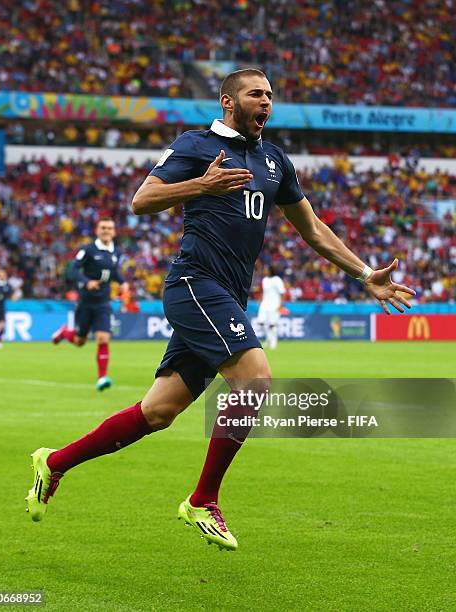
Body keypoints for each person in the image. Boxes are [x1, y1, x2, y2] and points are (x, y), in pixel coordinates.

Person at [26, 69, 415, 551]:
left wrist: (364, 274)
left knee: (158, 412)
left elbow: (312, 230)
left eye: (271, 95)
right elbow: (142, 200)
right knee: (255, 380)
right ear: (229, 102)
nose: (267, 102)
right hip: (194, 283)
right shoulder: (195, 144)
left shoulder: (275, 161)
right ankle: (202, 500)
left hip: (228, 296)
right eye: (257, 94)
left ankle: (54, 463)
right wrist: (200, 187)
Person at [51, 217, 128, 391]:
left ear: (114, 232)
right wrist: (86, 282)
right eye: (103, 227)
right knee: (79, 341)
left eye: (109, 227)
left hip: (103, 302)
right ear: (97, 230)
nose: (106, 230)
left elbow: (114, 272)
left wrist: (122, 282)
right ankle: (64, 332)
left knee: (103, 338)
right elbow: (73, 269)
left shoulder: (116, 252)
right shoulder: (88, 250)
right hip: (86, 302)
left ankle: (102, 378)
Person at [257, 265, 285, 349]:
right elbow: (265, 292)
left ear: (270, 270)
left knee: (272, 324)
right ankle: (268, 339)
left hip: (275, 304)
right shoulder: (264, 280)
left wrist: (280, 305)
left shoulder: (277, 280)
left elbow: (282, 293)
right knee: (261, 322)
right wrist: (261, 299)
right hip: (265, 304)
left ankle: (273, 342)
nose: (265, 271)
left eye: (266, 269)